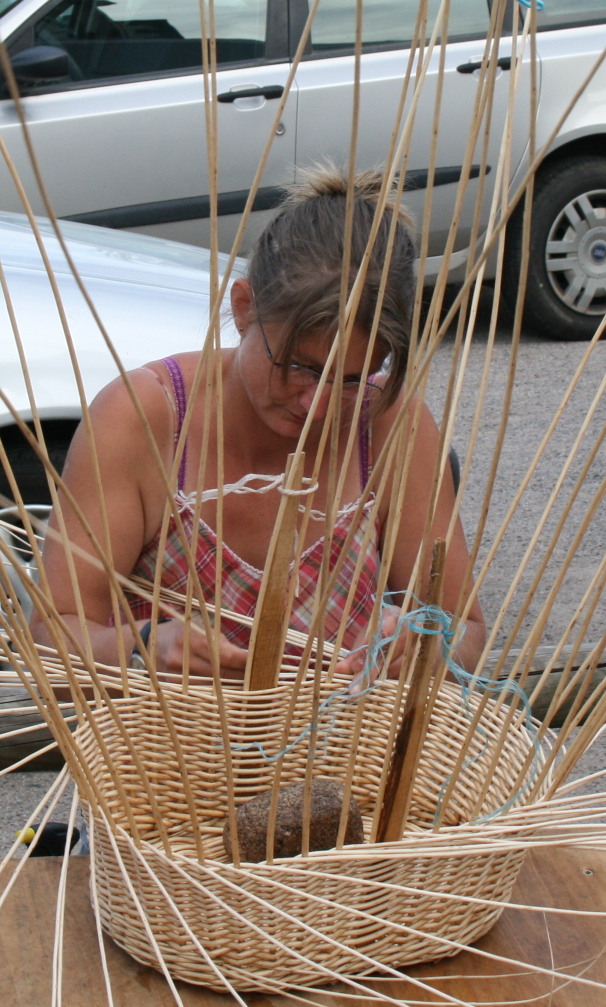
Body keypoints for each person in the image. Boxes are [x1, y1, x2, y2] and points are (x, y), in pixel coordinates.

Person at [34, 170, 487, 680]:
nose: (317, 404)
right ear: (244, 307)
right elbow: (54, 635)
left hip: (341, 755)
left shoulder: (386, 424)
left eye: (352, 378)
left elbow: (465, 628)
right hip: (165, 755)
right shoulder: (146, 418)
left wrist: (423, 646)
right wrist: (141, 645)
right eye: (299, 365)